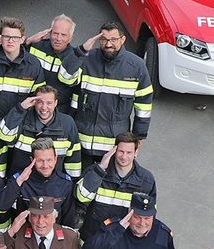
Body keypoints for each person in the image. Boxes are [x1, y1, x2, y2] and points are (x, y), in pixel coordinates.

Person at [59, 22, 154, 164]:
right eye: (104, 40)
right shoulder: (86, 58)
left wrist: (138, 136)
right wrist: (81, 51)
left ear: (122, 39)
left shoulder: (136, 66)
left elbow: (144, 104)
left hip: (113, 147)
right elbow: (65, 78)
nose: (108, 44)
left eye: (113, 40)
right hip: (81, 142)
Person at [76, 132, 157, 240]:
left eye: (129, 152)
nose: (124, 157)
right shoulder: (95, 171)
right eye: (121, 151)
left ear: (136, 153)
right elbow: (81, 197)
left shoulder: (146, 180)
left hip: (123, 241)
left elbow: (150, 215)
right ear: (114, 150)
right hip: (93, 238)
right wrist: (100, 169)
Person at [0, 87, 82, 179]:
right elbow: (4, 135)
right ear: (34, 103)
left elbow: (74, 160)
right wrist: (20, 108)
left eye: (49, 103)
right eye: (40, 102)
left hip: (52, 184)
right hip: (22, 182)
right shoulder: (22, 118)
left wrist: (72, 184)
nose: (44, 107)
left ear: (56, 103)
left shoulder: (67, 123)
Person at [0, 136, 79, 228]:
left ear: (55, 159)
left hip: (53, 236)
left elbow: (68, 219)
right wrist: (19, 181)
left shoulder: (65, 183)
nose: (45, 165)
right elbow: (2, 205)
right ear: (32, 160)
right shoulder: (21, 179)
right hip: (25, 236)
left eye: (49, 160)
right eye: (40, 161)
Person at [24, 15, 81, 113]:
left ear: (71, 38)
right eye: (55, 33)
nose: (58, 38)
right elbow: (15, 58)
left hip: (58, 111)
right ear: (50, 33)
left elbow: (76, 92)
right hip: (31, 106)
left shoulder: (75, 58)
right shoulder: (35, 47)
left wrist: (71, 115)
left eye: (63, 35)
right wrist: (27, 42)